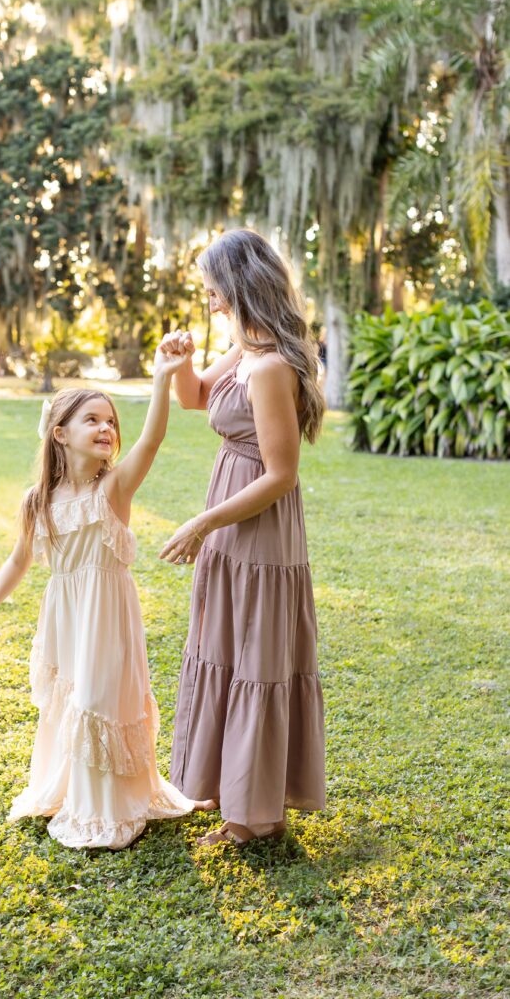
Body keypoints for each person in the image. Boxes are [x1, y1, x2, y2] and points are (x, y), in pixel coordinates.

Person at [0, 353, 199, 850]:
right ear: (60, 433)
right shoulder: (37, 501)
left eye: (110, 421)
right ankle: (72, 790)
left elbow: (151, 440)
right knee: (70, 702)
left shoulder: (113, 488)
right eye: (91, 419)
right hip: (65, 618)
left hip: (106, 617)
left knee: (99, 701)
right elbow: (18, 560)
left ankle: (107, 807)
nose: (105, 428)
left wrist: (162, 378)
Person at [158, 228, 326, 846]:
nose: (207, 297)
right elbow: (196, 399)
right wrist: (179, 362)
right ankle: (223, 788)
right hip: (230, 520)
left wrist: (203, 522)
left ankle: (256, 816)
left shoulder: (273, 366)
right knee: (224, 646)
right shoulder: (245, 348)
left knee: (256, 654)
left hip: (257, 527)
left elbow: (281, 475)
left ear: (239, 282)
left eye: (213, 287)